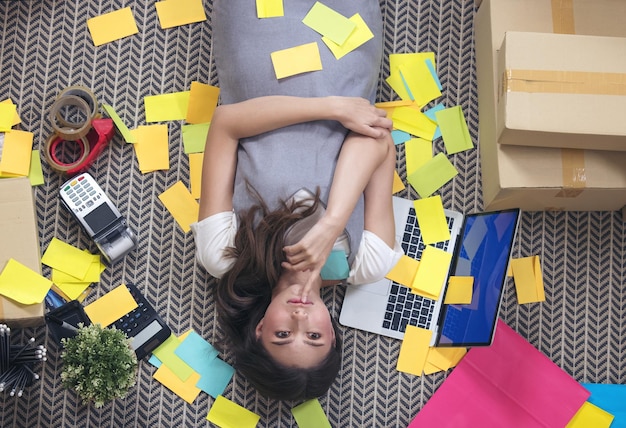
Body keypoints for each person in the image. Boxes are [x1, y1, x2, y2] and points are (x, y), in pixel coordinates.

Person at [190, 1, 403, 400]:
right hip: (345, 49)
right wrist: (332, 224)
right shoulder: (368, 263)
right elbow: (377, 138)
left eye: (284, 334)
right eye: (315, 335)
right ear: (334, 335)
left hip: (259, 47)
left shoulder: (224, 255)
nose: (300, 316)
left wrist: (328, 108)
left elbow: (226, 124)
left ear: (259, 329)